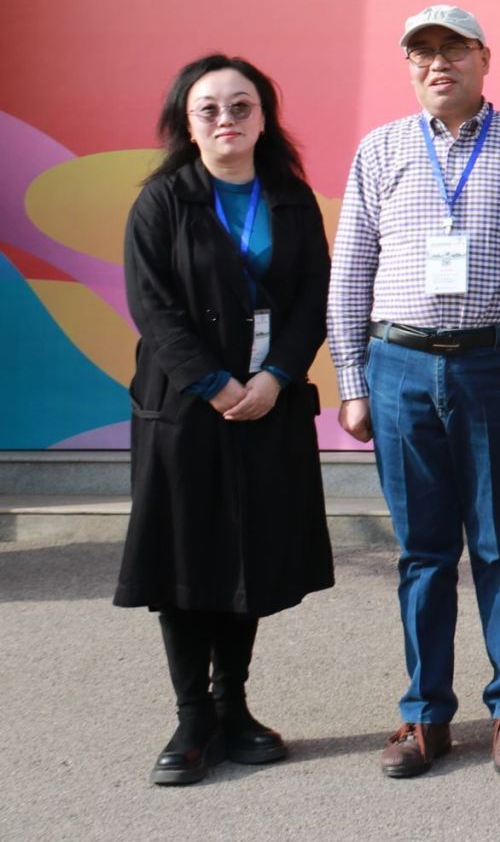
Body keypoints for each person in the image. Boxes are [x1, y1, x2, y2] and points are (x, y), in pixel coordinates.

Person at [328, 5, 500, 779]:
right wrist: (352, 380)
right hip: (398, 367)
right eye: (423, 52)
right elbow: (350, 271)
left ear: (483, 58)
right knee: (423, 552)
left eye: (453, 49)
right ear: (409, 66)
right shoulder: (380, 148)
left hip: (496, 364)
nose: (438, 63)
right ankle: (424, 711)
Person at [117, 55, 335, 785]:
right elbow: (152, 306)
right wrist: (214, 384)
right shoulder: (162, 201)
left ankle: (232, 705)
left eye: (242, 106)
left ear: (264, 118)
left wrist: (276, 377)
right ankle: (191, 718)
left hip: (269, 404)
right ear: (187, 122)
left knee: (248, 553)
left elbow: (312, 297)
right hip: (185, 408)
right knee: (185, 557)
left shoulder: (291, 200)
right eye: (208, 108)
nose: (226, 120)